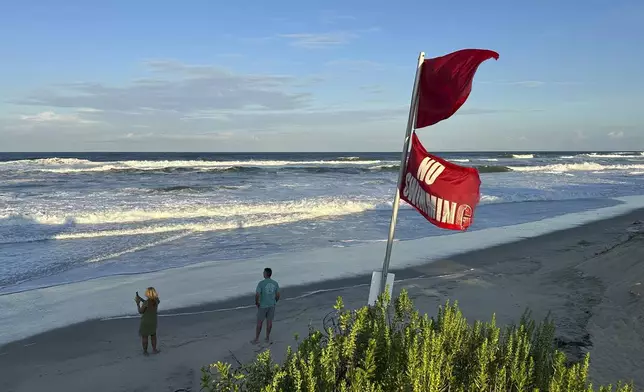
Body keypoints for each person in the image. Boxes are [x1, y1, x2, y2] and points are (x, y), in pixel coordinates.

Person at [252, 268, 280, 344]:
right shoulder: (275, 283)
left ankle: (257, 339)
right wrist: (275, 301)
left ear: (266, 274)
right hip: (272, 305)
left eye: (264, 272)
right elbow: (278, 295)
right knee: (269, 322)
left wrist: (257, 302)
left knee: (259, 322)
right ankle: (267, 337)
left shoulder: (261, 283)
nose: (263, 273)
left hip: (263, 305)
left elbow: (257, 294)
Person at [135, 287, 160, 356]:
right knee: (153, 336)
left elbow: (140, 311)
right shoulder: (157, 300)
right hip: (153, 321)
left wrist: (137, 303)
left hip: (145, 322)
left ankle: (145, 352)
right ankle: (154, 350)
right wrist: (141, 299)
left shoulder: (146, 302)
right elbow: (148, 304)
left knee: (145, 337)